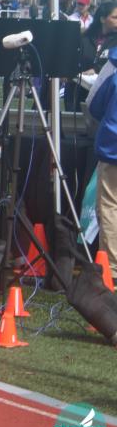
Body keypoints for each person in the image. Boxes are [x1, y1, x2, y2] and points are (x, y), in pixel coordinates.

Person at [88, 45, 117, 281]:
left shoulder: (113, 65)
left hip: (113, 146)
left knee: (109, 206)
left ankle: (113, 269)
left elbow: (94, 104)